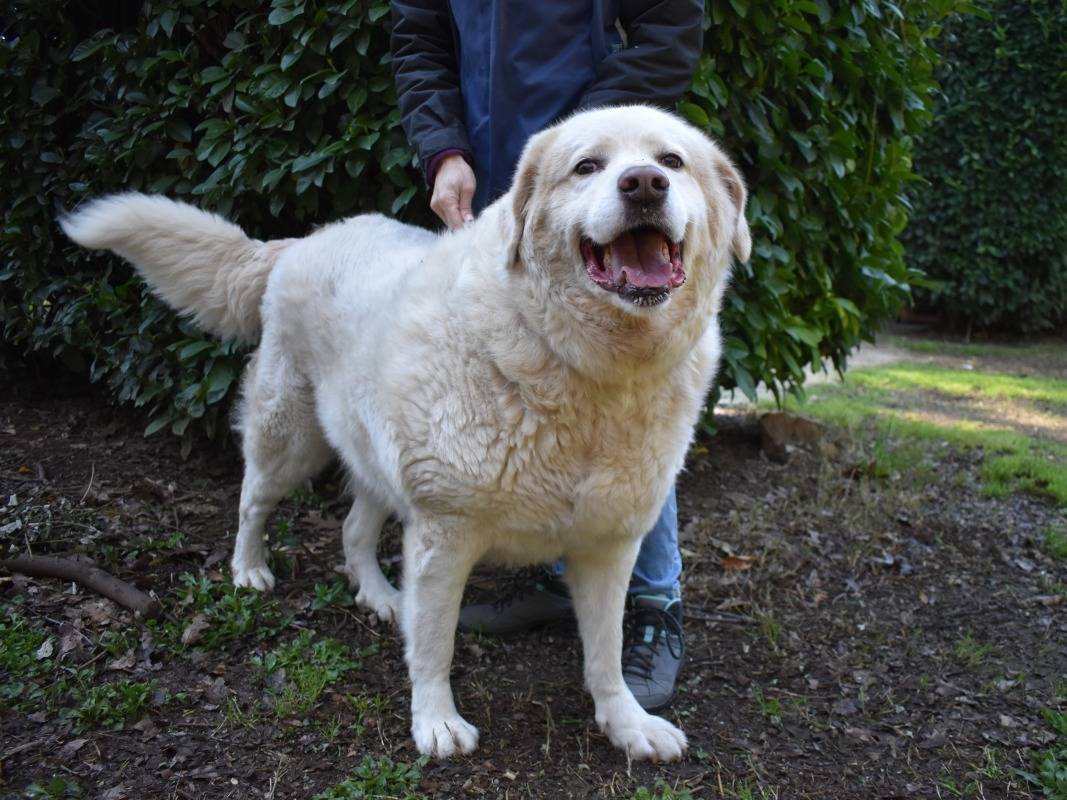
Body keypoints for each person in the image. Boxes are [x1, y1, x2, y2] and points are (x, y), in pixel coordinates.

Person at [390, 0, 704, 712]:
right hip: (501, 188)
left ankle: (653, 602)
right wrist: (443, 150)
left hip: (602, 178)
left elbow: (669, 27)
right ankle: (553, 570)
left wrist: (585, 144)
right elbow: (419, 39)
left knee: (630, 391)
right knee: (519, 384)